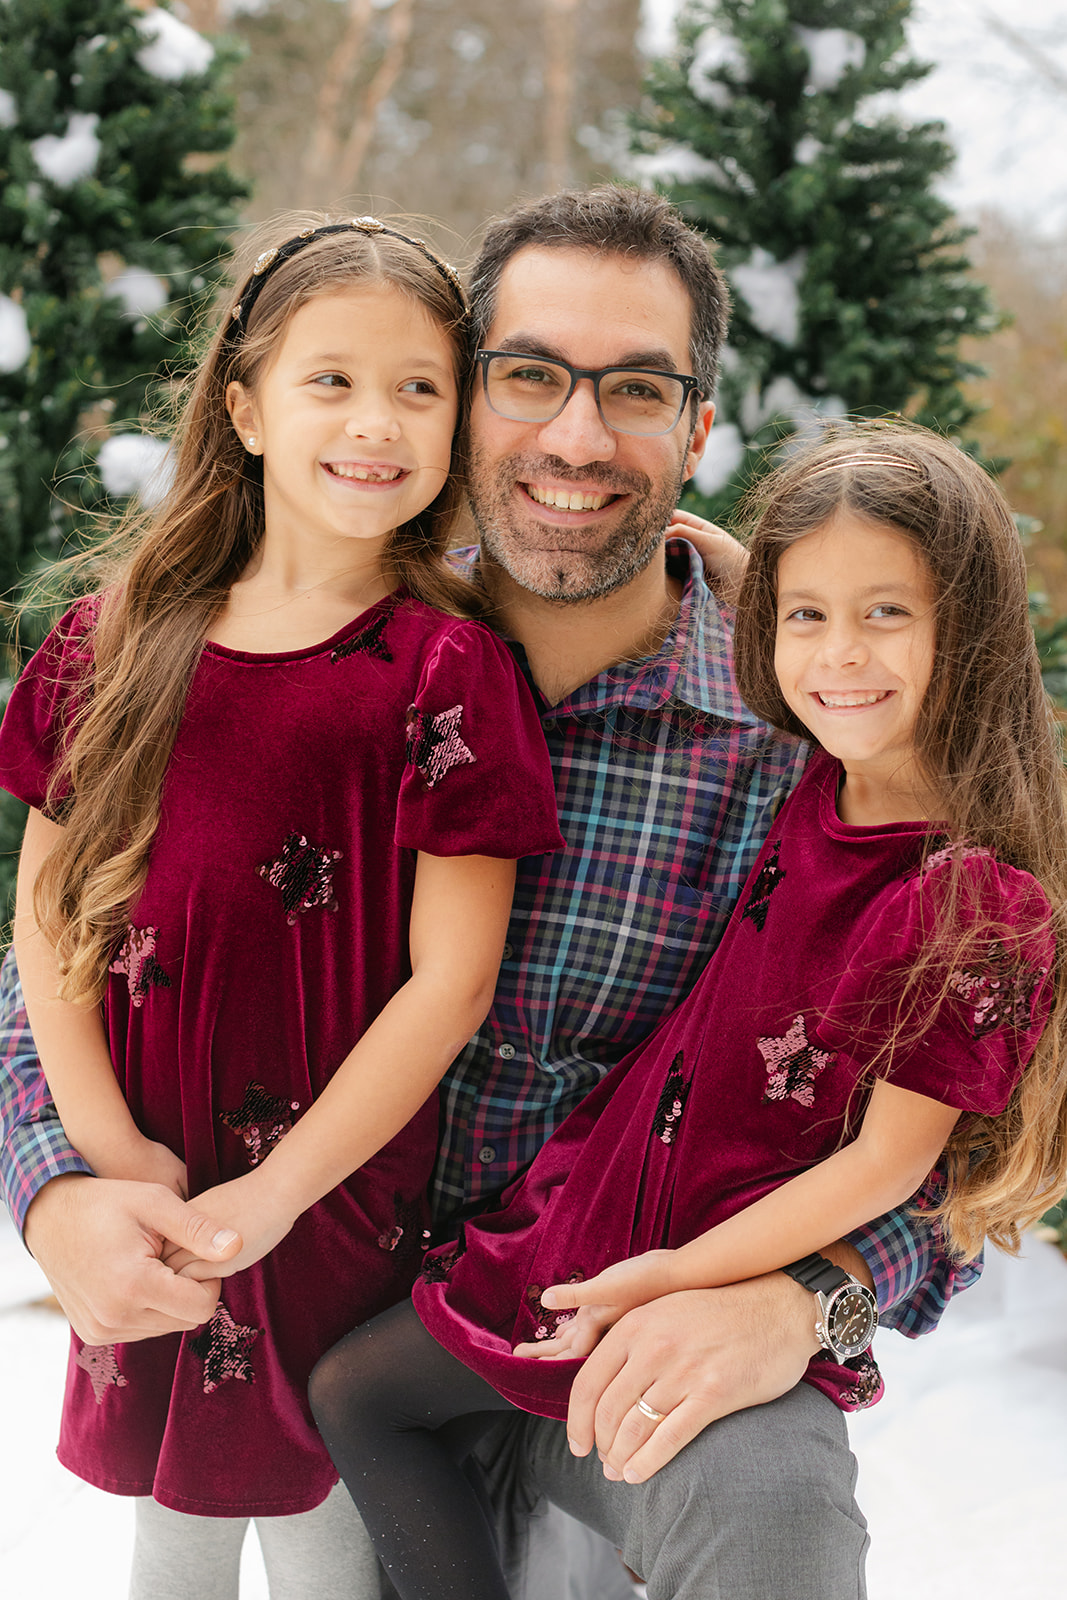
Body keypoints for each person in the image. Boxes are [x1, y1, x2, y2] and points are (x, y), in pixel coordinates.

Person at [0, 186, 978, 1599]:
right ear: (466, 409)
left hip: (593, 1343)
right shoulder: (302, 658)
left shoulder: (811, 741)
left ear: (697, 430)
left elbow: (966, 1137)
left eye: (634, 390)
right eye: (529, 378)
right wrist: (59, 1191)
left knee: (765, 1492)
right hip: (297, 1326)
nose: (575, 439)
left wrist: (809, 1299)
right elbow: (81, 944)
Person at [308, 424, 1067, 1600]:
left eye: (887, 614)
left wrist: (686, 1280)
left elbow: (886, 1169)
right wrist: (723, 563)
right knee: (356, 1392)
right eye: (804, 615)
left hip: (693, 1257)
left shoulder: (977, 903)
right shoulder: (817, 774)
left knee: (365, 1395)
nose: (839, 655)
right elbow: (793, 634)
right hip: (590, 1211)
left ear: (965, 626)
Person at [0, 213, 563, 1598]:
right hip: (153, 1185)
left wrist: (275, 1194)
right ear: (244, 405)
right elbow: (48, 923)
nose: (374, 421)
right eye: (331, 380)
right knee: (169, 1532)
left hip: (332, 1199)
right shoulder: (117, 638)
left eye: (418, 388)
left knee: (320, 1523)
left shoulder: (443, 669)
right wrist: (104, 1152)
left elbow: (451, 983)